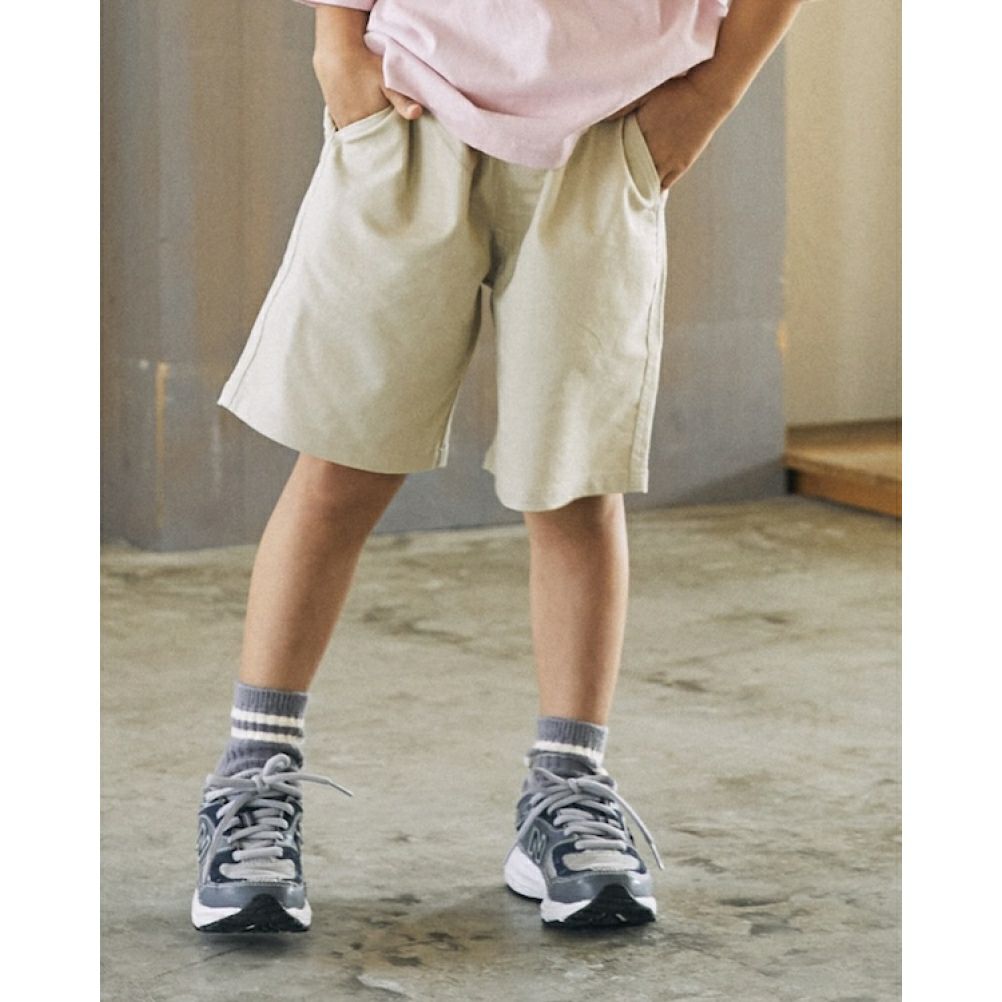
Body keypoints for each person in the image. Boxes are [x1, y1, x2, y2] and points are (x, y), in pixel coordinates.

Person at [191, 0, 808, 934]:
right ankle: (252, 779)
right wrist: (336, 42)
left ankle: (568, 784)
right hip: (413, 110)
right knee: (341, 467)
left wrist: (712, 94)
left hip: (609, 129)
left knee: (575, 482)